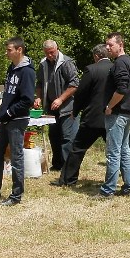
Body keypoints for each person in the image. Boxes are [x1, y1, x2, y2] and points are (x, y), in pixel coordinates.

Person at [0, 37, 36, 206]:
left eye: (9, 49)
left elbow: (27, 99)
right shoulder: (12, 68)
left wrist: (9, 112)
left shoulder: (27, 71)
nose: (6, 53)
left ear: (19, 50)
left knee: (16, 157)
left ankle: (16, 195)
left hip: (17, 120)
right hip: (6, 120)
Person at [52, 44, 113, 186]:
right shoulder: (116, 68)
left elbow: (81, 93)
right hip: (110, 116)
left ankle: (68, 179)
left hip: (92, 118)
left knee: (77, 149)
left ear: (96, 56)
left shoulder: (91, 69)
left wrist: (76, 110)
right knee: (118, 150)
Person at [95, 32, 130, 198]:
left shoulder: (120, 63)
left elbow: (122, 89)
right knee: (124, 150)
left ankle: (108, 190)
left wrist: (109, 106)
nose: (108, 47)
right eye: (106, 44)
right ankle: (129, 186)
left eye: (111, 45)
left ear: (121, 45)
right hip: (127, 112)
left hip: (118, 113)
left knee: (113, 152)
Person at [34, 40, 79, 171]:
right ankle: (57, 164)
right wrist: (39, 97)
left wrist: (60, 99)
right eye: (47, 53)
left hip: (67, 108)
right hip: (51, 109)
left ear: (57, 49)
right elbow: (40, 83)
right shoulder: (43, 64)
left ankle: (68, 168)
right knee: (54, 137)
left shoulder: (66, 62)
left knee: (67, 138)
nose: (49, 55)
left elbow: (75, 84)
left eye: (52, 52)